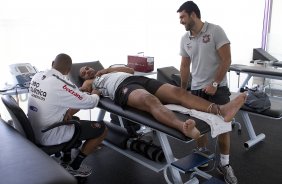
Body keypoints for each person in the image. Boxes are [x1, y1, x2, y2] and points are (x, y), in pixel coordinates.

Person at [79, 65, 246, 141]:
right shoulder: (89, 83)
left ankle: (220, 110)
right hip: (121, 88)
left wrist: (107, 69)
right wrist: (93, 89)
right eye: (83, 71)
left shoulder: (107, 70)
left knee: (178, 92)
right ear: (83, 77)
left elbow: (129, 70)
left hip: (138, 79)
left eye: (87, 67)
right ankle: (184, 128)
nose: (87, 70)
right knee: (150, 101)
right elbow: (83, 93)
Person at [177, 1, 237, 184]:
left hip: (216, 89)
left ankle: (225, 165)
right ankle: (203, 155)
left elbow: (226, 59)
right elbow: (185, 65)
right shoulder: (185, 39)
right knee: (199, 126)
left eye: (183, 17)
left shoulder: (215, 31)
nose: (180, 21)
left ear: (193, 14)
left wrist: (215, 83)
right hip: (196, 90)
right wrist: (181, 90)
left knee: (223, 127)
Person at [27, 53, 107, 177]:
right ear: (69, 70)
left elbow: (56, 96)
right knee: (102, 129)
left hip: (32, 130)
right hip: (49, 134)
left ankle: (66, 159)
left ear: (52, 63)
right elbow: (90, 103)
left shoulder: (37, 76)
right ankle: (75, 167)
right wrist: (96, 94)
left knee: (73, 118)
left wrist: (76, 92)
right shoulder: (61, 84)